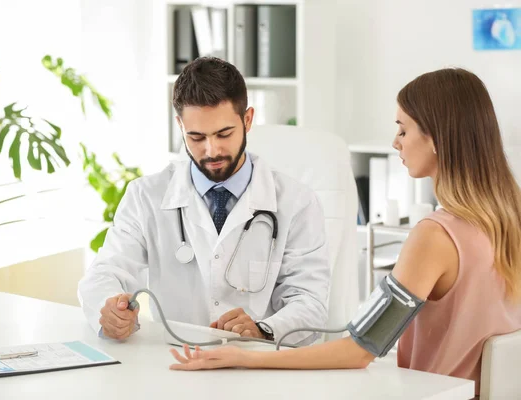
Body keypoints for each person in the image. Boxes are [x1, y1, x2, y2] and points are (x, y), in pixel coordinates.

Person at [167, 68, 521, 396]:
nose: (396, 142)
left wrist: (245, 357)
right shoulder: (509, 218)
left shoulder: (436, 237)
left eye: (403, 129)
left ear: (437, 139)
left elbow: (359, 350)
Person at [78, 57, 331, 345]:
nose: (212, 150)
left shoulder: (296, 201)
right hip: (177, 362)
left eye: (224, 134)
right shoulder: (145, 196)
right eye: (196, 137)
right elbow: (105, 272)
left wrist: (263, 328)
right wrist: (110, 308)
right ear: (179, 125)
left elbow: (310, 301)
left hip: (259, 367)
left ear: (247, 120)